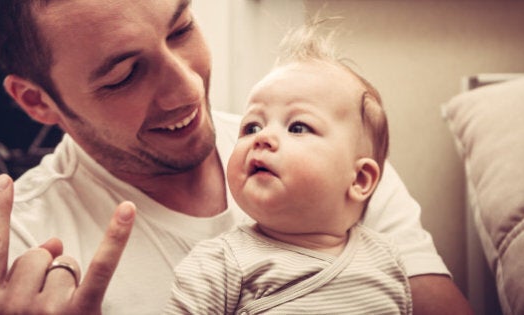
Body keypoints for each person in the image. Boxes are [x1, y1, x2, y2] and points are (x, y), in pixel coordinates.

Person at [0, 0, 472, 314]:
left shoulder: (329, 157)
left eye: (182, 28)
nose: (187, 87)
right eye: (124, 74)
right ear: (37, 101)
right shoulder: (11, 260)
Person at [165, 21, 411, 314]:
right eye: (252, 126)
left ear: (359, 178)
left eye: (297, 127)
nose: (263, 138)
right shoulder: (220, 263)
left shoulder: (385, 258)